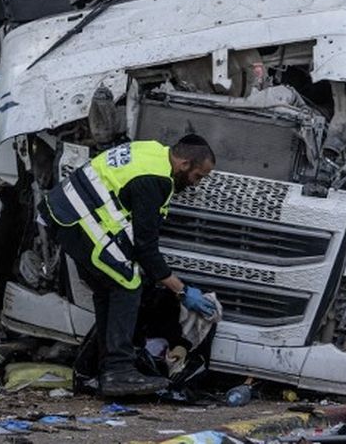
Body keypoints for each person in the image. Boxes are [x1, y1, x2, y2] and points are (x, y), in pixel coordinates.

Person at [42, 135, 218, 396]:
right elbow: (146, 249)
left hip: (66, 212)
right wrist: (181, 290)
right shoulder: (155, 180)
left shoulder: (153, 151)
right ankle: (118, 372)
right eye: (197, 176)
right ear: (183, 163)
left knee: (108, 288)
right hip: (78, 218)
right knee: (128, 281)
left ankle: (95, 371)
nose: (195, 184)